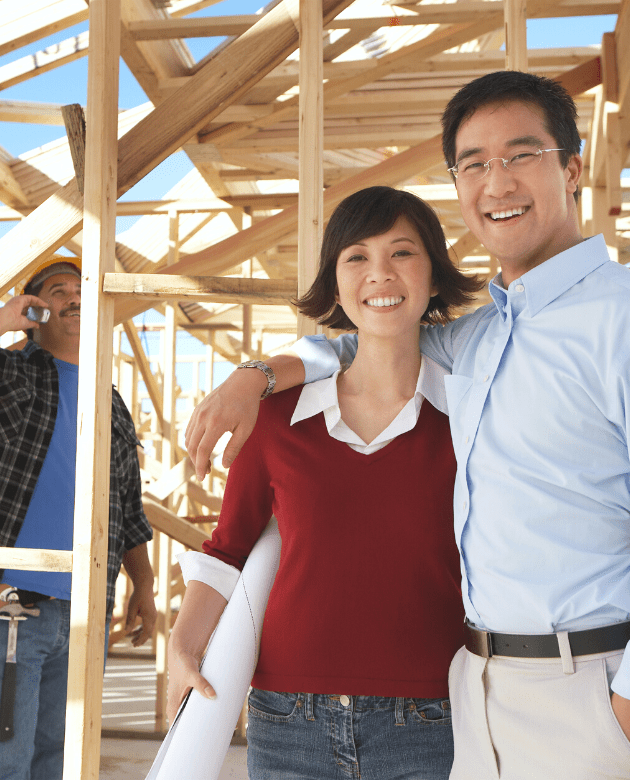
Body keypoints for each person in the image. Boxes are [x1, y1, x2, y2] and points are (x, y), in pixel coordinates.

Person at [184, 71, 630, 780]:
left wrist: (624, 702)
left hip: (589, 690)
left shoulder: (619, 318)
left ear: (573, 167)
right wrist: (255, 376)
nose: (498, 181)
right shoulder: (478, 341)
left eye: (520, 156)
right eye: (475, 164)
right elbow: (365, 341)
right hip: (479, 692)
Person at [168, 186, 482, 779]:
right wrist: (183, 646)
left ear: (434, 275)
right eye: (356, 257)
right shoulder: (277, 419)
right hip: (289, 720)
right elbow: (227, 548)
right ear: (335, 285)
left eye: (402, 253)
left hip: (432, 719)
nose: (380, 274)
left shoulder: (469, 420)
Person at [0, 257, 156, 780]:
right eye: (57, 290)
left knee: (63, 762)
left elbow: (128, 507)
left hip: (87, 610)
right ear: (35, 309)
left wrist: (146, 586)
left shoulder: (109, 403)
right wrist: (2, 321)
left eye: (81, 290)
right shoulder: (10, 376)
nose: (72, 297)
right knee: (7, 759)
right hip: (12, 607)